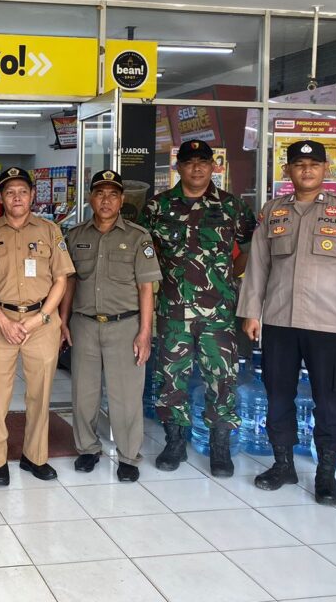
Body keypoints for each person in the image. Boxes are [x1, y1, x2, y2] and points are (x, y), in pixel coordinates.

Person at [238, 139, 336, 506]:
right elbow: (258, 266)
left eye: (314, 164)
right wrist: (252, 311)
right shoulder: (272, 211)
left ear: (325, 169)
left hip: (328, 324)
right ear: (288, 171)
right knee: (277, 395)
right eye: (299, 164)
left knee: (327, 400)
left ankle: (326, 475)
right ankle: (283, 465)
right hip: (279, 321)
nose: (307, 170)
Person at [139, 139, 257, 477]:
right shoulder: (158, 207)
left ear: (213, 166)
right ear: (178, 166)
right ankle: (174, 442)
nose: (196, 168)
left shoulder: (233, 206)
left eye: (203, 162)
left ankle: (220, 447)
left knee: (221, 378)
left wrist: (227, 275)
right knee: (170, 378)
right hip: (173, 310)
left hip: (218, 313)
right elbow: (144, 255)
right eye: (189, 162)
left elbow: (251, 248)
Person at [0, 167, 74, 485]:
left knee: (40, 394)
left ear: (32, 196)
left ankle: (35, 457)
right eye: (10, 192)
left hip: (41, 322)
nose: (16, 197)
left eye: (22, 191)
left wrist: (40, 318)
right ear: (0, 197)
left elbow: (61, 280)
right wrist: (2, 320)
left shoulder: (50, 231)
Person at [59, 170, 161, 481]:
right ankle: (88, 449)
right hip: (84, 325)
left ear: (121, 200)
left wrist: (145, 333)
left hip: (125, 326)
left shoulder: (138, 237)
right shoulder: (75, 236)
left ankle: (128, 456)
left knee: (126, 396)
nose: (106, 200)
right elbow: (69, 283)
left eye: (113, 194)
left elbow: (146, 288)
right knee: (84, 393)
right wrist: (63, 321)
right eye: (100, 194)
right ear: (90, 198)